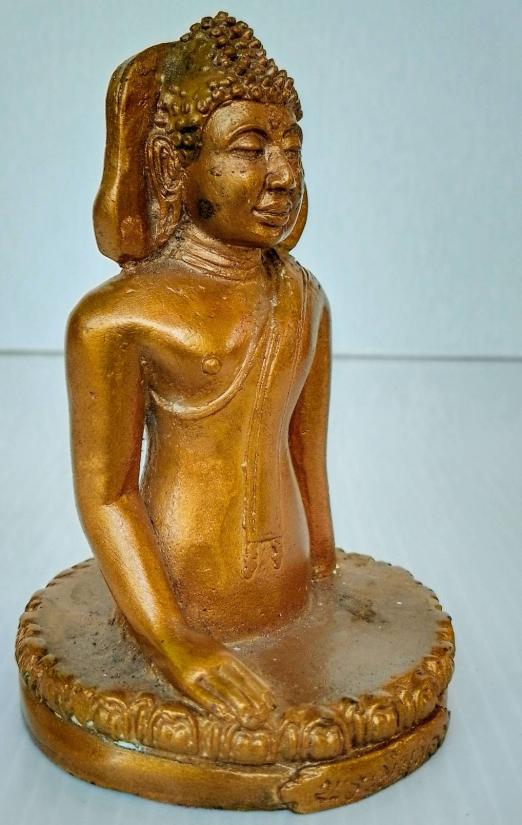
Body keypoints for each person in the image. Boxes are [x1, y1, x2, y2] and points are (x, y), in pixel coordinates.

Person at [66, 12, 335, 731]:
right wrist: (172, 639)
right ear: (170, 166)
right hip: (177, 603)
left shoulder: (304, 297)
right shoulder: (116, 320)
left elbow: (308, 460)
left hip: (292, 597)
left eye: (291, 147)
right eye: (249, 149)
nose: (283, 175)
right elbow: (108, 494)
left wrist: (326, 573)